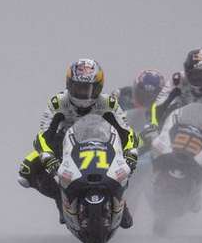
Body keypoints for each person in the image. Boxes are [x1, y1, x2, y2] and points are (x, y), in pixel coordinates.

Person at [17, 58, 139, 227]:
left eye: (87, 88)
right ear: (69, 85)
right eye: (78, 87)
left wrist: (130, 152)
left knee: (129, 164)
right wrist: (48, 158)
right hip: (64, 144)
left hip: (102, 143)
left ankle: (119, 200)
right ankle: (61, 198)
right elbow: (43, 136)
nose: (82, 93)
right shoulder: (58, 102)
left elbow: (127, 132)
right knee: (26, 172)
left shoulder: (108, 103)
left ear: (98, 88)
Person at [146, 48, 202, 163]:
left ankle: (200, 175)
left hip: (201, 129)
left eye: (201, 76)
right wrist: (153, 125)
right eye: (192, 74)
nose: (196, 79)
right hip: (173, 121)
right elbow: (159, 104)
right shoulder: (178, 79)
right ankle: (125, 162)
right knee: (145, 137)